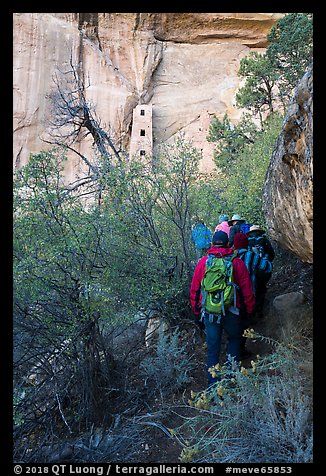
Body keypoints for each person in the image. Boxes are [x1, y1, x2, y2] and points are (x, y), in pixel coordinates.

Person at [190, 231, 255, 386]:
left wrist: (196, 311)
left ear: (212, 244)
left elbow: (195, 290)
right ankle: (230, 379)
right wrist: (250, 311)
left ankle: (213, 385)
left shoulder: (203, 263)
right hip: (232, 311)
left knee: (213, 349)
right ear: (228, 244)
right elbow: (247, 290)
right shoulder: (237, 262)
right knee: (234, 340)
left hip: (210, 312)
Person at [232, 232, 261, 358]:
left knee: (236, 324)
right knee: (244, 323)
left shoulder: (230, 258)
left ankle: (235, 352)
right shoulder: (252, 256)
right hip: (247, 296)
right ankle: (240, 351)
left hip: (232, 298)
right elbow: (267, 267)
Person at [246, 225, 275, 318]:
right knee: (261, 288)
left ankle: (252, 310)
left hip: (251, 267)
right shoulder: (264, 240)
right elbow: (271, 253)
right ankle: (260, 309)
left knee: (251, 287)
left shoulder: (248, 242)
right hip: (263, 268)